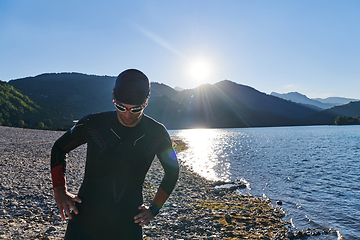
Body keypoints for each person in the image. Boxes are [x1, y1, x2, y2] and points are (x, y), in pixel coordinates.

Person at [50, 69, 179, 239]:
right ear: (113, 100)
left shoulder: (157, 134)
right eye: (121, 107)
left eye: (135, 109)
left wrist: (154, 208)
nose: (127, 114)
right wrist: (59, 190)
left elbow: (172, 171)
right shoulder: (92, 124)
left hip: (127, 221)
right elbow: (59, 148)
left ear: (145, 104)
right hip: (86, 218)